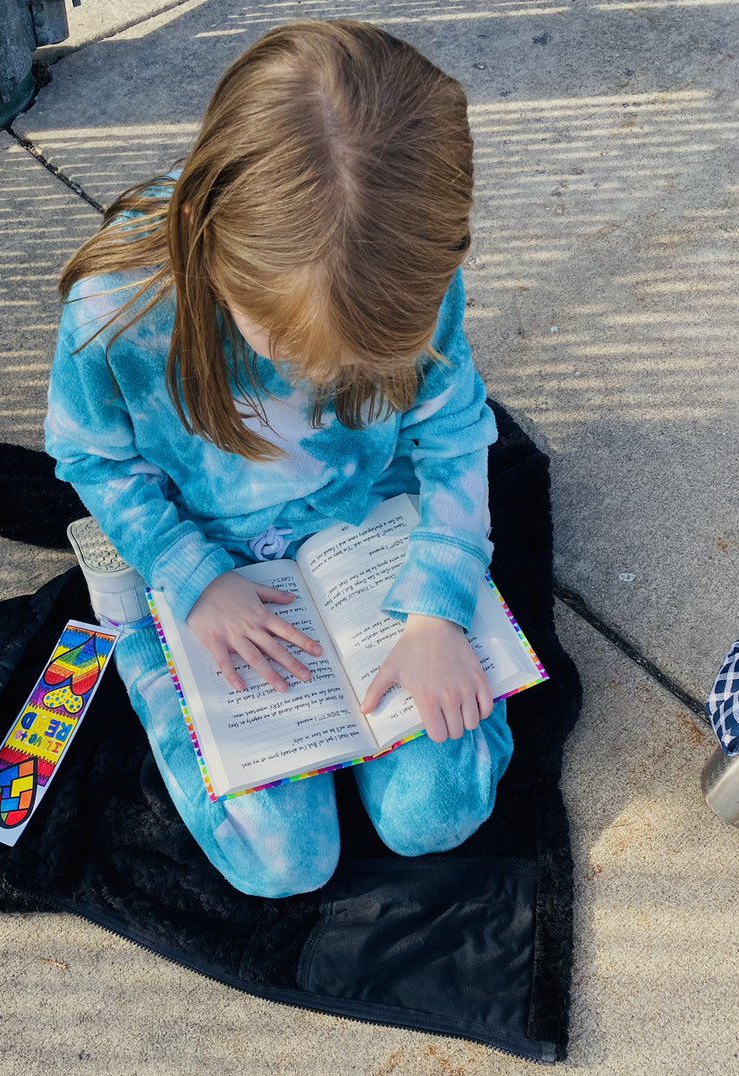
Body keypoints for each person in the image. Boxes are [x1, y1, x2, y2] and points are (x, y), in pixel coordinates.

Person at [44, 19, 514, 898]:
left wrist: (439, 613)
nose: (320, 378)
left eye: (356, 363)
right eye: (287, 344)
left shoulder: (405, 269)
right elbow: (93, 459)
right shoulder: (115, 311)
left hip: (367, 543)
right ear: (202, 229)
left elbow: (452, 434)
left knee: (435, 814)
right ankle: (145, 655)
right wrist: (188, 576)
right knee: (281, 862)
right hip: (214, 561)